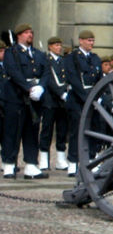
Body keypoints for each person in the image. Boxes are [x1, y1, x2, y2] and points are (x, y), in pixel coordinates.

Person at [2, 24, 48, 180]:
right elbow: (13, 72)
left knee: (32, 131)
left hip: (35, 98)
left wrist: (41, 87)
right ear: (19, 35)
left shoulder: (38, 54)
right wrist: (29, 88)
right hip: (16, 97)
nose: (30, 35)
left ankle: (30, 164)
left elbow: (46, 72)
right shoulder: (11, 52)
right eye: (27, 32)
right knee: (12, 131)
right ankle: (9, 163)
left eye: (31, 32)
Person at [62, 30, 102, 177]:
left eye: (92, 40)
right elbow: (73, 80)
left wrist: (98, 95)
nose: (91, 43)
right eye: (88, 40)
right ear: (81, 41)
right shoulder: (71, 58)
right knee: (76, 131)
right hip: (78, 99)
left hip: (93, 98)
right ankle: (73, 162)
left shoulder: (95, 59)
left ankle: (91, 159)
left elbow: (99, 79)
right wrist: (86, 97)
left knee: (93, 130)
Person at [38, 36, 69, 171]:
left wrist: (65, 91)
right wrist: (60, 92)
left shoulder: (63, 61)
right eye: (56, 45)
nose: (59, 47)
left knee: (62, 130)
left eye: (59, 45)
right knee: (47, 130)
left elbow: (67, 77)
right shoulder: (47, 60)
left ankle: (60, 159)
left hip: (62, 102)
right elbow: (49, 80)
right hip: (50, 100)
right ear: (50, 46)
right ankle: (44, 158)